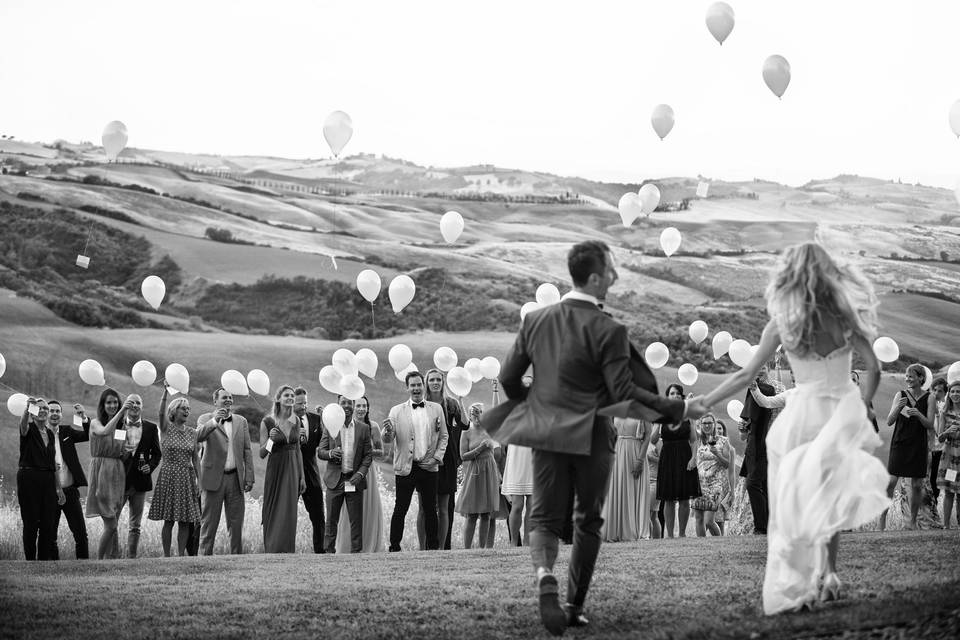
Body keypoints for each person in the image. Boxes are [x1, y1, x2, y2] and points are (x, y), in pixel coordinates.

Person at [490, 240, 703, 634]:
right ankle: (573, 604)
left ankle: (543, 577)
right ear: (594, 278)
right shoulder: (609, 329)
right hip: (592, 438)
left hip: (548, 435)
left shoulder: (535, 321)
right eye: (610, 271)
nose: (615, 277)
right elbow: (623, 393)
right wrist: (680, 408)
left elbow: (506, 379)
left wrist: (536, 409)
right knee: (588, 521)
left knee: (543, 519)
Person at [702, 242, 890, 614]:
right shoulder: (846, 317)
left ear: (788, 276)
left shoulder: (782, 322)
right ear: (828, 274)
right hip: (838, 411)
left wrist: (705, 402)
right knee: (829, 490)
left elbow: (744, 373)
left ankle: (806, 575)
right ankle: (829, 573)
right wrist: (860, 406)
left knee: (800, 495)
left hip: (801, 415)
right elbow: (875, 370)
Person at [382, 371, 449, 552]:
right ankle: (394, 546)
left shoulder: (436, 409)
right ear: (407, 388)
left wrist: (437, 457)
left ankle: (433, 548)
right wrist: (387, 432)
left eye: (419, 384)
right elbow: (388, 439)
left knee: (430, 509)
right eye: (412, 385)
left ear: (423, 386)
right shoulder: (396, 411)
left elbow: (444, 436)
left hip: (428, 466)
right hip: (406, 467)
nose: (416, 388)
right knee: (400, 508)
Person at [196, 388, 255, 555]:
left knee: (236, 525)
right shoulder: (205, 419)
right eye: (224, 398)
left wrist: (249, 476)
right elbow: (198, 436)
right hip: (213, 478)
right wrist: (215, 420)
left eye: (230, 397)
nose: (228, 400)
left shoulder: (241, 421)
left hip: (235, 478)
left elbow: (247, 450)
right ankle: (204, 559)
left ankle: (236, 558)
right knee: (208, 523)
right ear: (215, 401)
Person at [880, 363, 936, 531]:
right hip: (900, 444)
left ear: (921, 378)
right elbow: (890, 421)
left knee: (917, 485)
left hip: (918, 445)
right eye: (906, 376)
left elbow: (929, 424)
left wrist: (918, 414)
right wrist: (898, 407)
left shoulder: (930, 398)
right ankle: (882, 520)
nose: (908, 379)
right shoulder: (900, 395)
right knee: (891, 482)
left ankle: (912, 522)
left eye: (911, 376)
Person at [417, 368, 468, 550]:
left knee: (444, 506)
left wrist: (461, 401)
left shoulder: (451, 403)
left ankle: (441, 549)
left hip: (447, 459)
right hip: (424, 457)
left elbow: (465, 424)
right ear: (426, 382)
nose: (435, 382)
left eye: (438, 379)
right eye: (432, 380)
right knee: (424, 507)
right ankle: (423, 548)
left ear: (443, 382)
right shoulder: (421, 403)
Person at [148, 388, 201, 556]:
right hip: (169, 475)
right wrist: (164, 392)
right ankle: (166, 556)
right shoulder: (165, 428)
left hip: (187, 477)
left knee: (185, 520)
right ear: (173, 411)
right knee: (169, 520)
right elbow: (160, 411)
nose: (187, 411)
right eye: (183, 408)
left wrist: (200, 481)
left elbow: (196, 459)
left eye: (188, 409)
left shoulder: (193, 433)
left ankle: (180, 556)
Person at [318, 395, 373, 553]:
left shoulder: (363, 428)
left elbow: (368, 455)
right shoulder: (330, 426)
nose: (347, 406)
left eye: (350, 402)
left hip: (354, 480)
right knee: (331, 521)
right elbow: (320, 452)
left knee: (356, 521)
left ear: (354, 405)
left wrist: (361, 474)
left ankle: (356, 554)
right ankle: (328, 553)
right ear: (338, 405)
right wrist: (330, 453)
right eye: (343, 403)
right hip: (334, 481)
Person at [336, 395, 386, 553]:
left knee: (368, 508)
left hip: (367, 473)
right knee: (348, 509)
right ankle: (347, 545)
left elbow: (382, 452)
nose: (361, 409)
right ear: (352, 407)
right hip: (349, 472)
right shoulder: (342, 425)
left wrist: (367, 451)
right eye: (358, 405)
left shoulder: (373, 426)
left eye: (364, 406)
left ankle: (368, 544)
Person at [16, 397, 64, 560]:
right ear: (34, 412)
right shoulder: (28, 429)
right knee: (30, 522)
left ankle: (43, 560)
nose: (43, 410)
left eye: (46, 408)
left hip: (48, 480)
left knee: (47, 523)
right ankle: (30, 559)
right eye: (40, 408)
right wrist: (27, 408)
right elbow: (22, 426)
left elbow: (53, 463)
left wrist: (58, 488)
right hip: (29, 478)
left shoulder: (50, 434)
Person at [260, 384, 306, 553]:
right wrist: (271, 440)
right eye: (286, 395)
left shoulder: (297, 420)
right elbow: (262, 454)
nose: (290, 398)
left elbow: (298, 449)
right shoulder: (267, 421)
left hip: (293, 468)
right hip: (276, 469)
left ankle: (287, 549)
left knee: (289, 510)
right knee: (274, 507)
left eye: (292, 395)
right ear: (278, 399)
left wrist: (302, 477)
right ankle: (272, 547)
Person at [117, 393, 161, 558]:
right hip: (121, 480)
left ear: (142, 406)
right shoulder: (118, 426)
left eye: (138, 403)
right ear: (127, 405)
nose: (135, 405)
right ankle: (113, 556)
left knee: (135, 525)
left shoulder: (151, 428)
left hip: (141, 482)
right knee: (112, 521)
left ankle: (131, 558)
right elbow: (114, 452)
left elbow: (157, 454)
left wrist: (149, 467)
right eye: (132, 402)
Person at [85, 388, 127, 559]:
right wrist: (122, 411)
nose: (112, 405)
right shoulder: (95, 422)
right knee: (111, 524)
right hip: (101, 472)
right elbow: (103, 432)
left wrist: (129, 450)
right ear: (103, 405)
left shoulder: (121, 427)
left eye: (115, 402)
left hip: (116, 473)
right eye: (109, 402)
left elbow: (120, 451)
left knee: (112, 522)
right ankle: (99, 559)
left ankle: (109, 558)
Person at [656, 384, 701, 538]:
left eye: (677, 393)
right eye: (672, 393)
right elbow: (653, 439)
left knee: (683, 497)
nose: (675, 395)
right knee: (668, 498)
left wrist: (694, 458)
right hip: (667, 457)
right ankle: (669, 535)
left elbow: (694, 440)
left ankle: (682, 534)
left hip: (684, 456)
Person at [738, 364, 779, 535]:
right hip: (754, 441)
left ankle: (762, 526)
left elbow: (771, 409)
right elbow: (747, 427)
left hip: (768, 441)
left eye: (763, 367)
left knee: (754, 483)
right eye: (757, 367)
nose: (760, 370)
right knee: (761, 484)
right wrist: (744, 426)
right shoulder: (752, 389)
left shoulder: (772, 388)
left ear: (768, 368)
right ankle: (767, 526)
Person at [47, 400, 90, 559]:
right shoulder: (41, 435)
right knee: (50, 535)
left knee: (80, 534)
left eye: (57, 411)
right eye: (51, 411)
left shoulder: (66, 432)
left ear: (61, 414)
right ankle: (54, 568)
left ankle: (83, 567)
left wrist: (83, 417)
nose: (54, 414)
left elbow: (86, 435)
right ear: (46, 414)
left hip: (71, 491)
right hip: (50, 492)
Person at [455, 402, 501, 548]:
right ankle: (467, 549)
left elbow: (498, 410)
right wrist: (481, 448)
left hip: (489, 470)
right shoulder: (466, 432)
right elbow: (463, 456)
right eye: (473, 413)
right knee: (472, 513)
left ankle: (482, 549)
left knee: (486, 513)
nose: (476, 415)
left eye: (479, 412)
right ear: (469, 415)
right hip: (474, 473)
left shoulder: (490, 430)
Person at [599, 418, 650, 542]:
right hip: (616, 454)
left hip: (635, 453)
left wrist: (640, 459)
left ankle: (632, 530)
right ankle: (615, 530)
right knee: (615, 490)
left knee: (632, 490)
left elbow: (648, 436)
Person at [690, 414, 734, 537]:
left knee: (709, 521)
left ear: (714, 424)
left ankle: (719, 543)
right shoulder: (697, 440)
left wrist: (717, 454)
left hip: (715, 484)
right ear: (701, 425)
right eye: (704, 423)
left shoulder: (723, 441)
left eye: (710, 422)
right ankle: (702, 547)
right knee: (699, 519)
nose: (707, 425)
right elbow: (690, 426)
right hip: (698, 484)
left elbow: (726, 464)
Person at [295, 387, 325, 553]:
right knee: (289, 513)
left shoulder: (315, 419)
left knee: (318, 515)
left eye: (305, 403)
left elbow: (323, 442)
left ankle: (320, 550)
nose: (303, 406)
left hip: (312, 472)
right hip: (292, 472)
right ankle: (286, 550)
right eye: (300, 403)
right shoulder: (287, 420)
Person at [935, 380, 960, 529]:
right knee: (950, 491)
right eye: (953, 391)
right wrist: (947, 432)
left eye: (958, 392)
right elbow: (940, 438)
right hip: (950, 459)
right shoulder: (944, 413)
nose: (955, 394)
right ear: (949, 394)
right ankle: (946, 526)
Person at [929, 377, 948, 504]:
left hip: (940, 450)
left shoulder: (945, 409)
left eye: (940, 391)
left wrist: (937, 414)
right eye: (934, 390)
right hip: (927, 449)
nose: (936, 393)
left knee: (935, 482)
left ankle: (933, 510)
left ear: (945, 393)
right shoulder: (927, 405)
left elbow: (940, 435)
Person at [646, 432, 662, 539]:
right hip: (645, 481)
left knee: (648, 514)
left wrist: (652, 458)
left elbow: (665, 461)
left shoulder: (658, 442)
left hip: (654, 481)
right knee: (654, 515)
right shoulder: (644, 440)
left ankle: (649, 538)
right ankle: (655, 540)